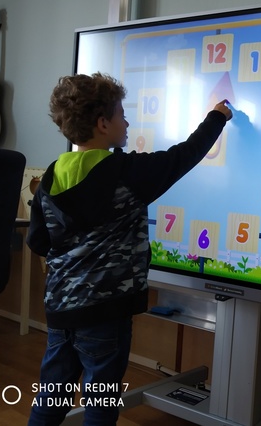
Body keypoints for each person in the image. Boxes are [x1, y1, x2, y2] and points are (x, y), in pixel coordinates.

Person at [27, 72, 232, 425]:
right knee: (100, 404)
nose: (127, 122)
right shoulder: (126, 173)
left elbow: (38, 241)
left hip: (61, 311)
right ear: (103, 123)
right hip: (106, 315)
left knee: (52, 396)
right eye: (122, 114)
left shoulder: (51, 176)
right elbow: (184, 155)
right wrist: (217, 116)